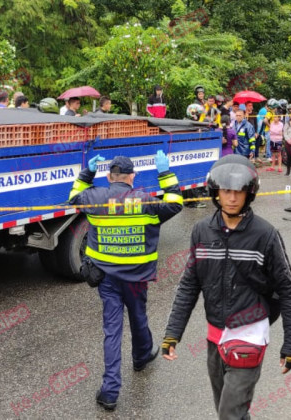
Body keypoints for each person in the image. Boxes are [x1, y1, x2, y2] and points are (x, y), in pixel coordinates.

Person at [162, 154, 291, 420]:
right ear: (215, 192)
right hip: (215, 336)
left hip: (250, 335)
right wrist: (173, 333)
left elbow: (287, 289)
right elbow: (189, 284)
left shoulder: (265, 234)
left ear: (250, 193)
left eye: (239, 191)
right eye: (226, 190)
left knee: (229, 413)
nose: (232, 198)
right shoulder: (201, 231)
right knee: (227, 410)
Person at [68, 152, 184, 411]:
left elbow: (74, 196)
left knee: (112, 331)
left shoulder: (95, 197)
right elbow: (175, 203)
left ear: (109, 177)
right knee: (138, 316)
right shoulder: (144, 200)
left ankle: (110, 392)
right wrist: (165, 173)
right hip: (136, 278)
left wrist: (87, 173)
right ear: (132, 177)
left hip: (106, 278)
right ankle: (142, 356)